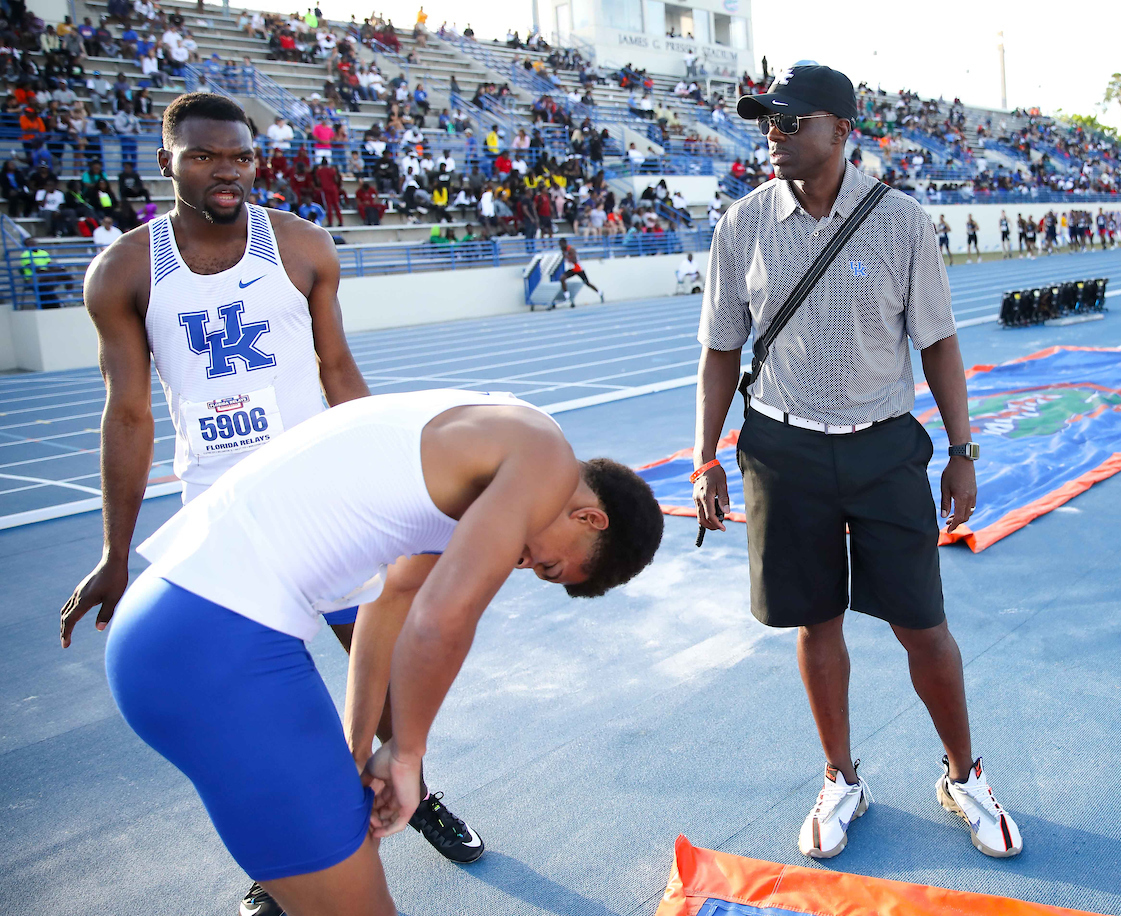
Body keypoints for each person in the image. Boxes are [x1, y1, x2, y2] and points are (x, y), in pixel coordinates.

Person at [57, 94, 485, 916]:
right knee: (255, 698)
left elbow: (340, 374)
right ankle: (282, 855)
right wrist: (117, 554)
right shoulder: (124, 269)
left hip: (323, 489)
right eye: (208, 156)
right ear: (167, 162)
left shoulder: (297, 244)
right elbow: (130, 413)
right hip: (220, 502)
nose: (229, 171)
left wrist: (398, 486)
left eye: (242, 158)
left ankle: (412, 787)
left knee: (379, 655)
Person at [103, 388, 663, 916]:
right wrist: (406, 755)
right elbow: (442, 619)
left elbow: (390, 599)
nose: (523, 566)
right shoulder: (547, 460)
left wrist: (354, 749)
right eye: (548, 565)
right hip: (218, 644)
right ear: (590, 518)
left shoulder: (494, 437)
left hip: (174, 625)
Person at [693, 63, 1022, 862]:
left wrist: (962, 451)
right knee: (817, 620)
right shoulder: (739, 225)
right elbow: (719, 351)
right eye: (768, 121)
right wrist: (706, 457)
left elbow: (939, 342)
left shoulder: (902, 222)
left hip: (882, 448)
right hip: (782, 447)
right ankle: (841, 776)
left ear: (842, 131)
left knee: (924, 626)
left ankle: (962, 772)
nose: (774, 134)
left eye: (792, 121)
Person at [556, 237, 603, 306]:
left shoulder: (571, 249)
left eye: (561, 244)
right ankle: (567, 297)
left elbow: (574, 260)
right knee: (562, 278)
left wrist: (567, 256)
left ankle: (600, 292)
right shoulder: (563, 250)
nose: (560, 246)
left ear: (565, 243)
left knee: (587, 283)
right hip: (572, 269)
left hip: (579, 269)